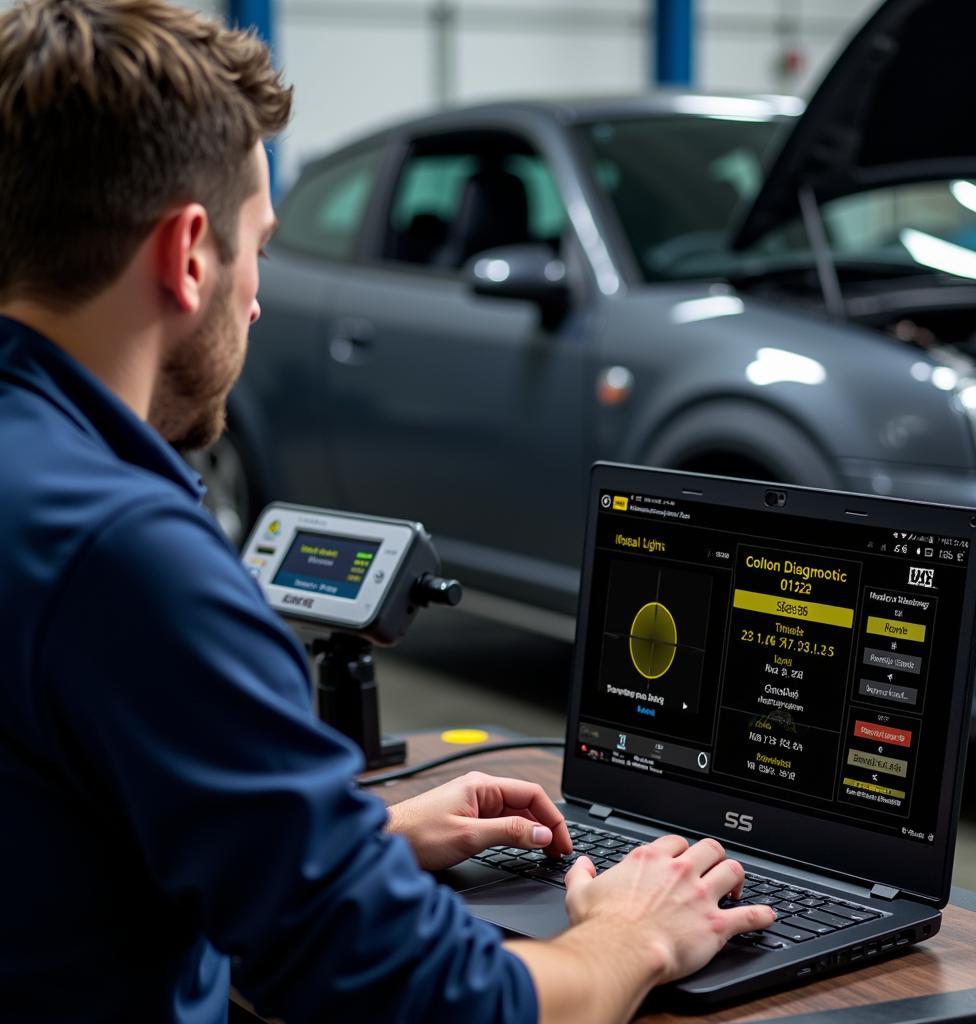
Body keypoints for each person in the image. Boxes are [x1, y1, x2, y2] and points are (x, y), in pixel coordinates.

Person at [0, 2, 775, 1022]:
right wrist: (628, 933)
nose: (259, 300)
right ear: (190, 255)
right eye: (259, 249)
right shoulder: (127, 557)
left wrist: (348, 841)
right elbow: (439, 1001)